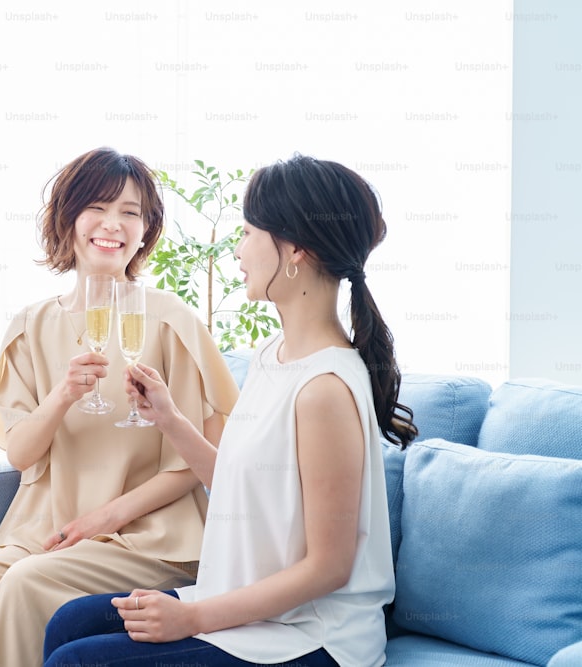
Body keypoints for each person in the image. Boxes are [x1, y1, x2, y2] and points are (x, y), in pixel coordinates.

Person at [43, 154, 419, 667]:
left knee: (77, 660)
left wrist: (193, 619)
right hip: (251, 606)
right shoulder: (273, 356)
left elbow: (330, 568)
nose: (238, 251)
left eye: (247, 234)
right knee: (70, 622)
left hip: (312, 636)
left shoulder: (324, 389)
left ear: (295, 251)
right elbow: (245, 488)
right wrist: (171, 421)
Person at [0, 147, 241, 667]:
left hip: (147, 538)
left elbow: (193, 462)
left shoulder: (169, 321)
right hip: (44, 531)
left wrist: (104, 518)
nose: (113, 224)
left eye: (131, 212)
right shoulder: (30, 327)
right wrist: (63, 395)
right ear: (67, 219)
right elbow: (22, 454)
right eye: (97, 206)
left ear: (146, 230)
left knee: (27, 585)